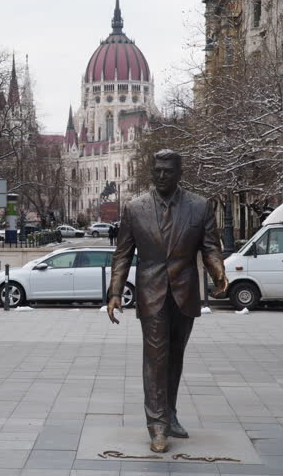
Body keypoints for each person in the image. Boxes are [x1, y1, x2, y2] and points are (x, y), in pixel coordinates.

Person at [107, 149, 228, 453]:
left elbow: (210, 247)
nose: (161, 176)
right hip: (151, 294)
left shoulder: (199, 206)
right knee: (156, 358)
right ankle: (157, 425)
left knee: (175, 357)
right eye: (157, 170)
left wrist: (218, 272)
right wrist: (115, 292)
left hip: (185, 294)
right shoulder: (135, 208)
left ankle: (170, 414)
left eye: (167, 171)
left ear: (179, 174)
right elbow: (122, 254)